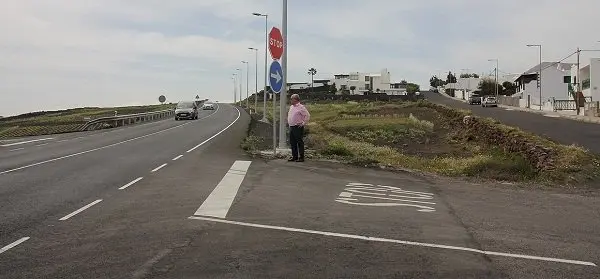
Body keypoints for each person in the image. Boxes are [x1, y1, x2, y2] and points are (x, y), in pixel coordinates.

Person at [287, 94, 310, 162]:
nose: (290, 100)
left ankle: (301, 157)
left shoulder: (301, 107)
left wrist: (303, 123)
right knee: (292, 142)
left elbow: (307, 115)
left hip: (298, 127)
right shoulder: (291, 107)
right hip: (291, 126)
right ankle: (295, 156)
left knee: (299, 142)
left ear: (296, 99)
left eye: (292, 99)